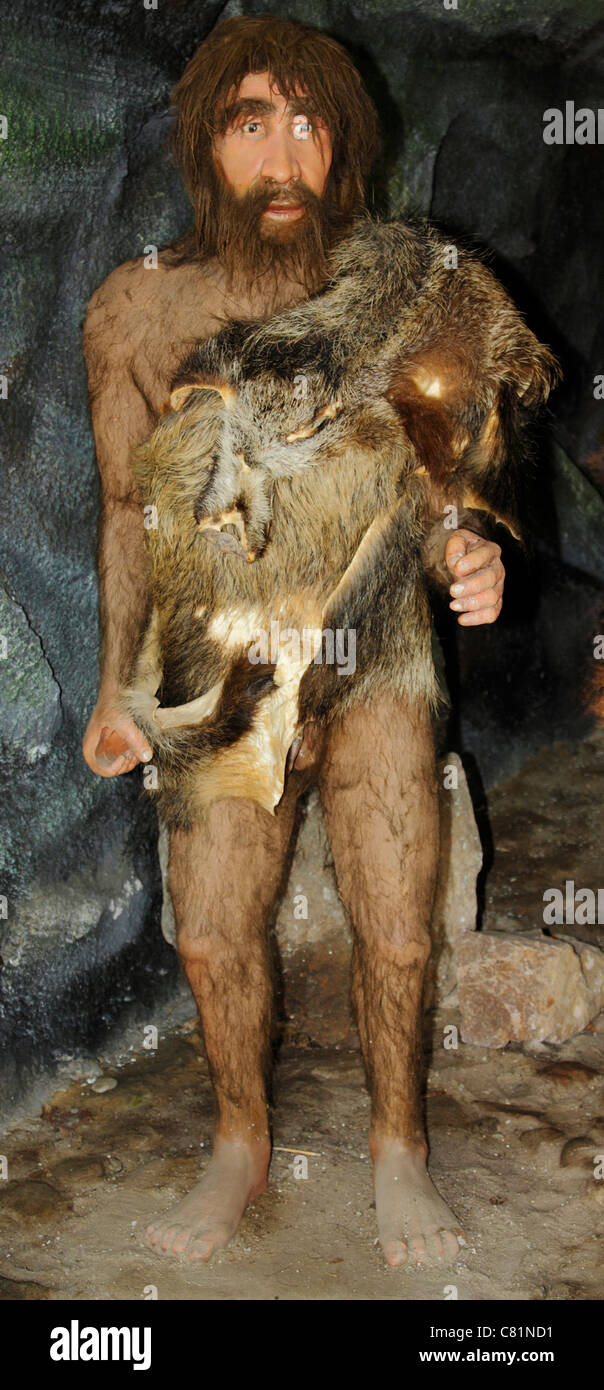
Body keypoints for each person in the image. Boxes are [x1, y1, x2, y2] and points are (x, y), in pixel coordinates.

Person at [82, 15, 506, 1268]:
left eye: (309, 123)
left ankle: (397, 1146)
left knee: (397, 920)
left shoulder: (408, 290)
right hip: (216, 653)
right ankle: (239, 1140)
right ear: (205, 144)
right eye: (251, 123)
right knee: (211, 929)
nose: (282, 157)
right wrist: (112, 686)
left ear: (346, 141)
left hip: (374, 645)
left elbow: (446, 483)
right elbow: (125, 513)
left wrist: (468, 549)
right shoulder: (138, 311)